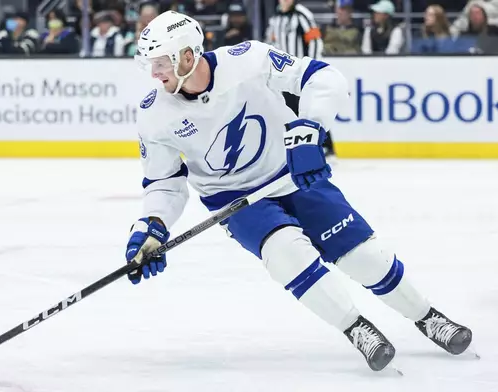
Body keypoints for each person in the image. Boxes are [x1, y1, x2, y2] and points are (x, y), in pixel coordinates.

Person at [127, 11, 473, 372]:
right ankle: (356, 329)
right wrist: (151, 225)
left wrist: (310, 127)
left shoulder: (247, 59)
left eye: (161, 62)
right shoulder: (154, 114)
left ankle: (427, 316)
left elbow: (324, 77)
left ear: (188, 54)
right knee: (285, 252)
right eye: (148, 63)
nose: (154, 73)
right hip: (233, 200)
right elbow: (164, 182)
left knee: (362, 255)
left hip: (291, 173)